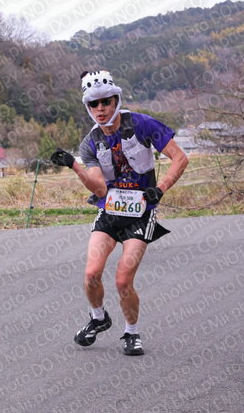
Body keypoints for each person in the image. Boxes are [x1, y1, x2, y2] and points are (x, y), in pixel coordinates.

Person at [50, 70, 188, 356]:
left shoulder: (142, 124)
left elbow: (180, 158)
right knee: (91, 274)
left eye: (106, 102)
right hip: (110, 212)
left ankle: (131, 332)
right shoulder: (90, 142)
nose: (100, 109)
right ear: (88, 107)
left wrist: (160, 188)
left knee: (123, 280)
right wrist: (74, 166)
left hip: (141, 213)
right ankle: (99, 318)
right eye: (94, 104)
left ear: (116, 100)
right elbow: (100, 188)